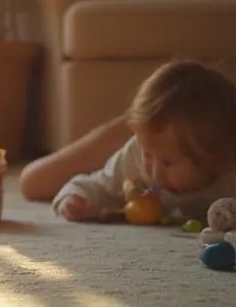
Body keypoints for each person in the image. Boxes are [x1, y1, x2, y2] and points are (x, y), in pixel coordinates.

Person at [45, 60, 236, 222]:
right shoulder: (135, 155)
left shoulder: (229, 173)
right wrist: (72, 199)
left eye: (168, 162)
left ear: (215, 159)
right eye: (149, 154)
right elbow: (94, 185)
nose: (154, 172)